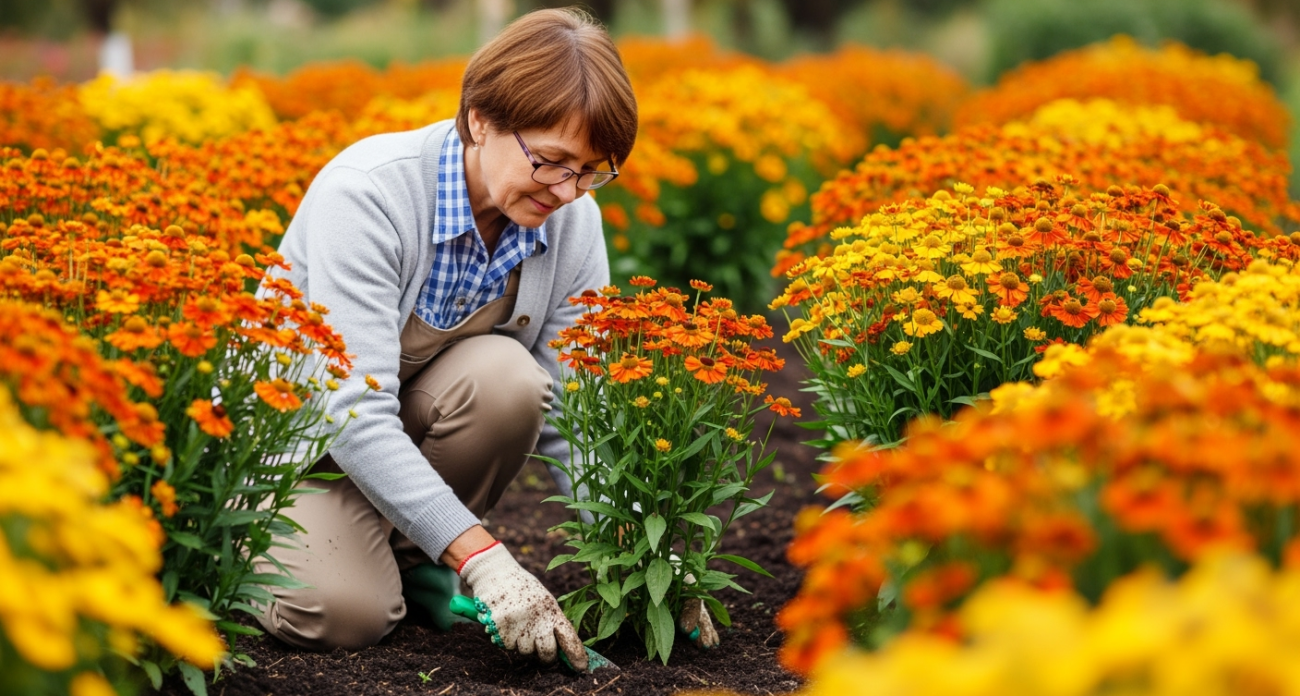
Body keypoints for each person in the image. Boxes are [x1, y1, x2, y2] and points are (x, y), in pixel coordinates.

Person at [254, 7, 717, 671]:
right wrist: (484, 559)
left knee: (512, 381)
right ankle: (246, 549)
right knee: (342, 613)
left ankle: (414, 557)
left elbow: (577, 414)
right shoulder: (369, 196)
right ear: (480, 120)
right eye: (552, 161)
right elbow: (351, 412)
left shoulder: (572, 223)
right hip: (295, 453)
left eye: (592, 170)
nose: (568, 190)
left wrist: (646, 561)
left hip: (390, 440)